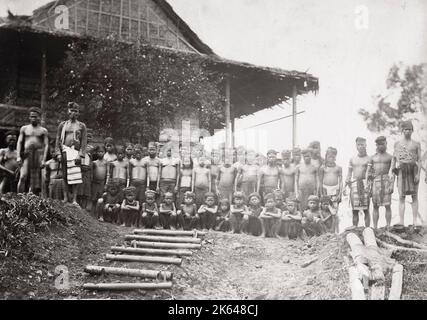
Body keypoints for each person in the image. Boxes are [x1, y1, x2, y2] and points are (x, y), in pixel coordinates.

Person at [55, 102, 87, 205]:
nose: (73, 113)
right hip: (65, 151)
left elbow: (84, 142)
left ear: (78, 113)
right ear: (68, 111)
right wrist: (58, 153)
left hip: (75, 152)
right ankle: (65, 198)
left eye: (76, 111)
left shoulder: (81, 126)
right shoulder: (63, 125)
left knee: (76, 176)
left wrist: (80, 154)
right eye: (71, 110)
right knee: (65, 175)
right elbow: (57, 140)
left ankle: (74, 199)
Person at [392, 120, 423, 227]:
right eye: (405, 129)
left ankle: (414, 220)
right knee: (401, 197)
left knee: (415, 196)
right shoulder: (397, 144)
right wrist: (393, 169)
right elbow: (394, 158)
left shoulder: (416, 144)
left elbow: (419, 160)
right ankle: (401, 221)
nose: (408, 131)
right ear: (402, 130)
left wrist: (418, 174)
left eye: (409, 129)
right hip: (402, 171)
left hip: (413, 170)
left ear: (412, 130)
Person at [16, 107, 49, 195]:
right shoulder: (24, 128)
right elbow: (19, 142)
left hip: (38, 155)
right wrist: (18, 156)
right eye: (32, 116)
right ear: (29, 117)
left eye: (35, 116)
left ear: (39, 118)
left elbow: (46, 145)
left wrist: (44, 159)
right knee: (23, 176)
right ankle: (19, 197)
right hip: (27, 154)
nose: (33, 118)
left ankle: (33, 197)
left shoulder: (43, 130)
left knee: (36, 179)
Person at [367, 136, 394, 229]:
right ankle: (375, 227)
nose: (381, 146)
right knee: (375, 206)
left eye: (383, 144)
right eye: (379, 144)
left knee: (388, 205)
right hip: (376, 181)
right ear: (377, 145)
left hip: (387, 180)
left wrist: (392, 184)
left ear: (386, 144)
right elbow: (368, 172)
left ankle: (389, 225)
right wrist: (368, 186)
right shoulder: (372, 157)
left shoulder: (390, 157)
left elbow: (393, 172)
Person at [346, 137, 371, 227]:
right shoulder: (352, 159)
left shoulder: (369, 158)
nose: (361, 147)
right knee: (355, 209)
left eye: (362, 144)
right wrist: (347, 182)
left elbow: (371, 173)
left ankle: (368, 228)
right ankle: (355, 228)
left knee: (366, 209)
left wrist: (368, 185)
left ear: (365, 145)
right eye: (359, 145)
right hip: (354, 184)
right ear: (356, 146)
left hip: (365, 183)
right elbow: (349, 173)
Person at [319, 147, 342, 217]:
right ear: (326, 157)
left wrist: (340, 194)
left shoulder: (338, 168)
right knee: (325, 210)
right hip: (325, 189)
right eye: (329, 156)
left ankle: (335, 227)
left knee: (334, 210)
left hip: (335, 190)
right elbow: (320, 181)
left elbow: (341, 181)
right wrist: (321, 193)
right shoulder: (322, 168)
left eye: (333, 156)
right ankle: (326, 227)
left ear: (335, 157)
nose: (331, 158)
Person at [91, 146, 107, 217]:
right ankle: (93, 214)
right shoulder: (94, 163)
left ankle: (100, 215)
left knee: (101, 199)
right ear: (96, 153)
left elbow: (108, 174)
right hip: (95, 182)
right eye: (99, 152)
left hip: (102, 183)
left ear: (104, 152)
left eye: (102, 152)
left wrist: (106, 184)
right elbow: (92, 173)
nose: (100, 153)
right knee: (94, 199)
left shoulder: (106, 163)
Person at [77, 144, 93, 211]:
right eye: (87, 147)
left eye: (90, 147)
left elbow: (91, 165)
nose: (89, 148)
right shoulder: (79, 154)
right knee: (80, 189)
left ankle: (84, 206)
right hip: (81, 173)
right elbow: (77, 163)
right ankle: (79, 204)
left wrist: (90, 174)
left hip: (87, 173)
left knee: (86, 190)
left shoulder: (89, 155)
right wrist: (81, 167)